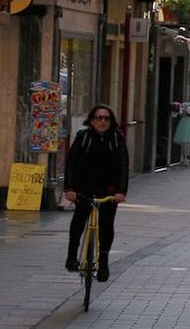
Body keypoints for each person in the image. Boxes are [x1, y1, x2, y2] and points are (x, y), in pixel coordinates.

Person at [64, 105, 129, 282]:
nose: (102, 121)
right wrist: (69, 189)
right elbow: (71, 164)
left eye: (106, 118)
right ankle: (71, 257)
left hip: (109, 190)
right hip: (85, 188)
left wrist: (121, 192)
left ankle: (103, 262)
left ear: (111, 121)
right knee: (79, 219)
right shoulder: (83, 137)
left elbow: (123, 165)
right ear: (91, 120)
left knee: (106, 224)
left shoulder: (117, 139)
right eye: (98, 117)